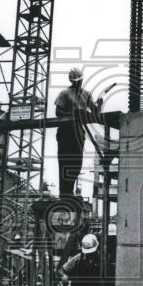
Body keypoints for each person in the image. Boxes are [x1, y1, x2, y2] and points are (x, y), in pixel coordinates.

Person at [54, 68, 102, 200]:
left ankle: (69, 191)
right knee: (64, 162)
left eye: (78, 81)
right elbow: (58, 112)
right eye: (74, 82)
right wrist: (74, 113)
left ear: (82, 80)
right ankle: (65, 193)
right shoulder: (64, 93)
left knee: (76, 162)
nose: (77, 84)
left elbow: (94, 111)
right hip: (65, 131)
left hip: (78, 132)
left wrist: (98, 106)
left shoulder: (86, 94)